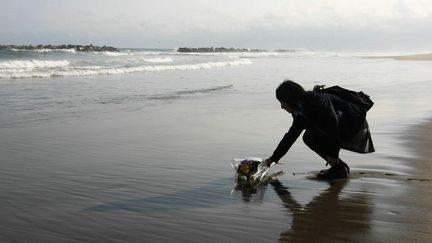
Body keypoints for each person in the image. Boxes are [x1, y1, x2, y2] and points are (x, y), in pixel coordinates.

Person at [260, 80, 375, 179]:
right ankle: (339, 168)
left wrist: (333, 153)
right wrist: (272, 160)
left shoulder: (317, 102)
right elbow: (290, 136)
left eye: (282, 102)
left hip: (355, 127)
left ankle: (339, 169)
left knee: (310, 137)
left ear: (289, 99)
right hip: (341, 128)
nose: (282, 107)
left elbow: (333, 125)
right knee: (309, 137)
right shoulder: (300, 111)